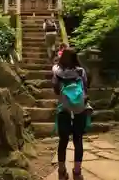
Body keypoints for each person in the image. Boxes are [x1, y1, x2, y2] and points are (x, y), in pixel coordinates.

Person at [52, 48, 92, 180]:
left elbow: (56, 90)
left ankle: (62, 172)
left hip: (63, 108)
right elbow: (85, 88)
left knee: (63, 141)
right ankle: (77, 172)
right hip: (79, 109)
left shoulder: (57, 72)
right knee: (78, 140)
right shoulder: (81, 71)